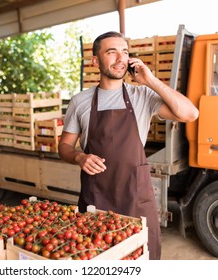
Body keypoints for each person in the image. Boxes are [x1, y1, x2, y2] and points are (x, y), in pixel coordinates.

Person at [58, 31, 199, 260]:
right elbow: (64, 146)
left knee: (142, 256)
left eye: (124, 52)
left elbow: (190, 113)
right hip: (96, 196)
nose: (120, 58)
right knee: (97, 256)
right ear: (95, 61)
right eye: (111, 52)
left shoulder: (142, 95)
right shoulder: (80, 101)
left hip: (136, 196)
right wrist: (79, 157)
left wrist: (150, 80)